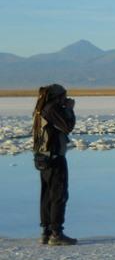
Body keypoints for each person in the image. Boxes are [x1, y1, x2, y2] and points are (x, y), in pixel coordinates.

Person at [32, 84, 77, 246]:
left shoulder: (41, 108)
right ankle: (56, 233)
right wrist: (69, 109)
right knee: (58, 195)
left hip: (43, 157)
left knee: (47, 195)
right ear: (57, 97)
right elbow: (68, 126)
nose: (66, 98)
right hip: (54, 158)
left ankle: (46, 232)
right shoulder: (52, 109)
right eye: (64, 96)